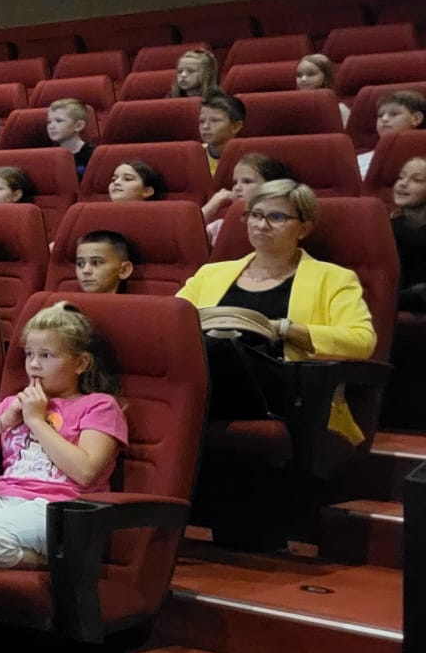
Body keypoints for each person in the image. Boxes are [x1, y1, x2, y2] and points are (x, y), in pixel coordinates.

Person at [175, 179, 377, 442]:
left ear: (304, 228)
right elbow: (172, 325)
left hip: (290, 393)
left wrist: (282, 329)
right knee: (208, 350)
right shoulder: (211, 273)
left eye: (276, 217)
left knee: (217, 351)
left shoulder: (334, 278)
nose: (261, 225)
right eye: (255, 215)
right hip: (211, 381)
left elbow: (361, 341)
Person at [0, 302, 127, 567]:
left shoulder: (100, 405)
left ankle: (54, 561)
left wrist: (36, 421)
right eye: (29, 355)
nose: (34, 365)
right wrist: (4, 420)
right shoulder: (15, 404)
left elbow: (85, 471)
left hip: (60, 507)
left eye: (46, 356)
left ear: (81, 363)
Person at [201, 152, 291, 245]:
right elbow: (192, 243)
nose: (237, 188)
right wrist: (209, 208)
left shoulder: (277, 224)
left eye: (247, 181)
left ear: (270, 187)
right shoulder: (221, 226)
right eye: (235, 182)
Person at [358, 90, 426, 175]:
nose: (384, 119)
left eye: (394, 114)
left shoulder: (421, 158)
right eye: (380, 115)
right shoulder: (360, 159)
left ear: (416, 119)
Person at [393, 157, 426, 312]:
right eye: (401, 177)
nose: (403, 183)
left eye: (416, 180)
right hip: (400, 296)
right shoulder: (388, 226)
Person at [198, 91, 246, 176]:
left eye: (215, 121)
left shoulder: (248, 157)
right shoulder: (195, 155)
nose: (205, 126)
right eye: (202, 121)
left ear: (235, 127)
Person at [47, 98, 94, 176]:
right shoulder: (49, 156)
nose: (51, 126)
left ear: (78, 126)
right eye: (49, 122)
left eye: (59, 121)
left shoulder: (93, 155)